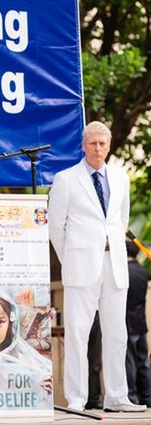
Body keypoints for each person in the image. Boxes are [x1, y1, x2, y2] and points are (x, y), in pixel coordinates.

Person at [48, 120, 147, 413]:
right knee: (78, 334)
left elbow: (121, 220)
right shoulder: (66, 179)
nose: (98, 148)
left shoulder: (120, 178)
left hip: (114, 264)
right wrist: (72, 260)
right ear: (83, 145)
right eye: (92, 143)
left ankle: (117, 396)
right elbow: (56, 226)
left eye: (102, 143)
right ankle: (76, 398)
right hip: (81, 265)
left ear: (109, 145)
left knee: (117, 333)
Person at [125, 240, 151, 407]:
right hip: (141, 322)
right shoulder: (143, 271)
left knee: (129, 361)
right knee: (143, 361)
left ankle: (131, 396)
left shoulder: (123, 272)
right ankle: (147, 398)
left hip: (126, 322)